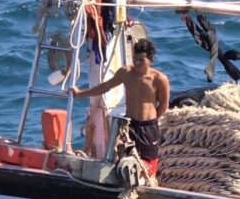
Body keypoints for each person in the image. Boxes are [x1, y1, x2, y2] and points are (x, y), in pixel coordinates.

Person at [72, 39, 170, 179]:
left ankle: (149, 183)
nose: (137, 63)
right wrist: (80, 94)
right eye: (135, 58)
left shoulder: (159, 79)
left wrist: (151, 121)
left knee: (149, 163)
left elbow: (164, 105)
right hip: (130, 125)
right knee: (125, 161)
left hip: (148, 127)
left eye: (141, 60)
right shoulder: (126, 73)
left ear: (151, 60)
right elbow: (105, 87)